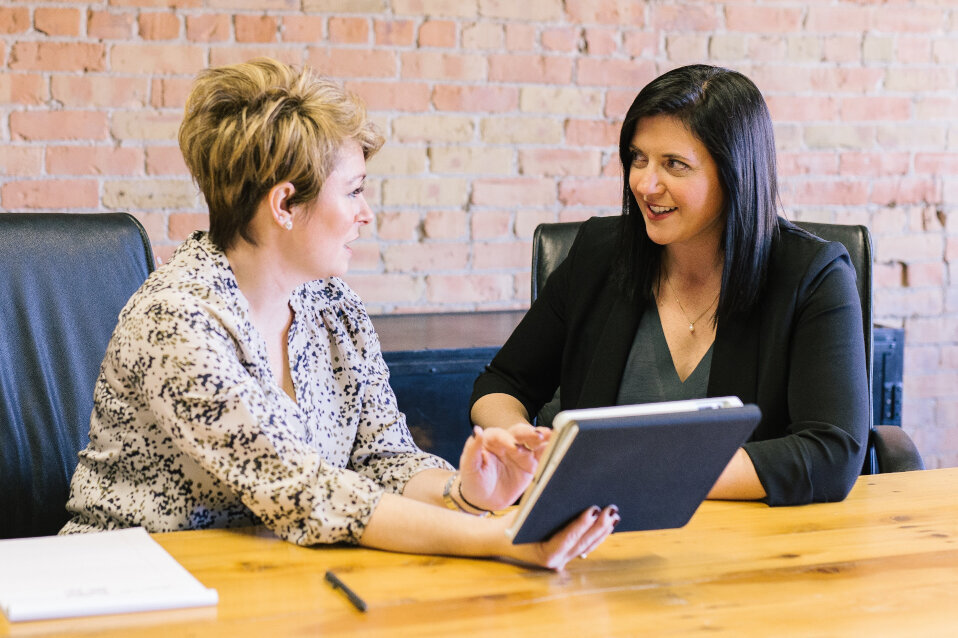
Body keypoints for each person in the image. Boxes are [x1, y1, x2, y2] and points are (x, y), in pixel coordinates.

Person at [60, 58, 617, 570]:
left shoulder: (333, 306)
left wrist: (466, 494)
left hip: (273, 576)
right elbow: (304, 492)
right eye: (353, 191)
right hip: (128, 583)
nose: (366, 214)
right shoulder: (177, 320)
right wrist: (498, 536)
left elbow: (384, 458)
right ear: (284, 204)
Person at [471, 64, 869, 506]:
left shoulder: (813, 275)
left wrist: (640, 472)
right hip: (596, 529)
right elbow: (502, 383)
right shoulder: (599, 254)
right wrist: (519, 442)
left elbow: (831, 453)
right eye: (638, 158)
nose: (645, 184)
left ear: (734, 173)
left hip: (747, 533)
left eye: (674, 165)